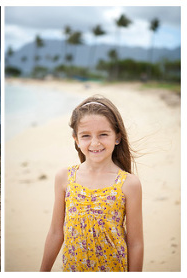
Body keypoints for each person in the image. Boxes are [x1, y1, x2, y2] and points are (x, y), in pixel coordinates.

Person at [40, 95, 143, 272]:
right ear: (76, 139)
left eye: (103, 134)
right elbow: (56, 233)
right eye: (86, 136)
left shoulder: (129, 184)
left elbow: (135, 244)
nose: (95, 143)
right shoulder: (65, 177)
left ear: (117, 137)